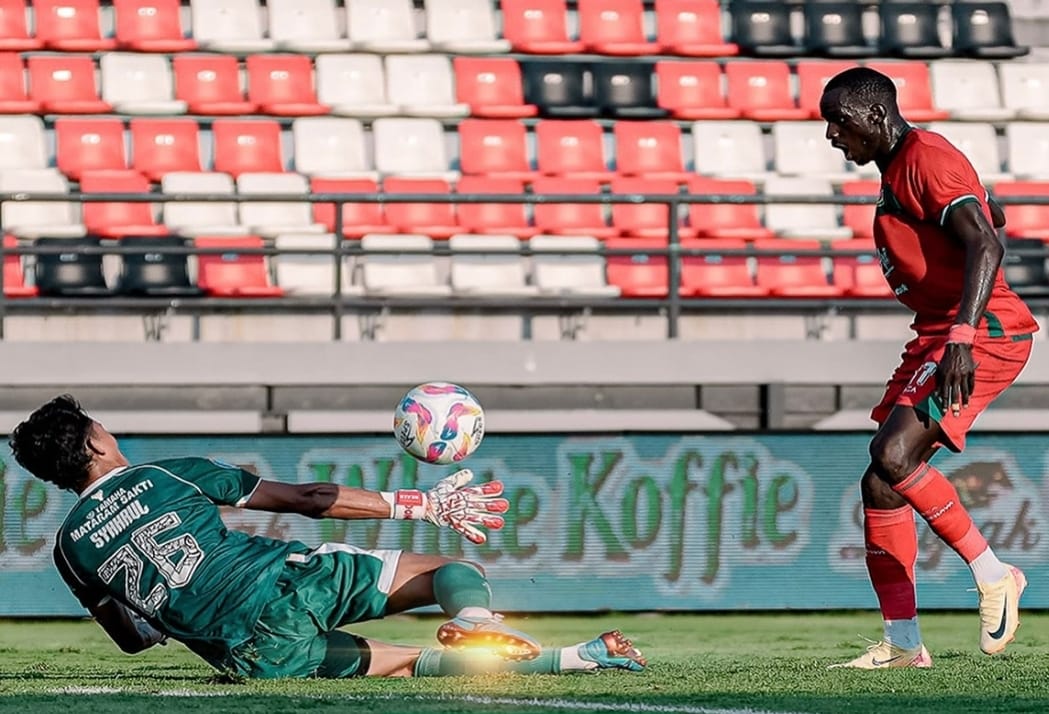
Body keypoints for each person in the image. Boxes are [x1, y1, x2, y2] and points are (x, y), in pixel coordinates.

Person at [8, 395, 645, 679]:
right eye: (101, 425)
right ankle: (475, 615)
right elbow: (309, 501)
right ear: (94, 441)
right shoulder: (165, 473)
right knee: (453, 573)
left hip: (248, 656)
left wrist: (178, 607)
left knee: (411, 663)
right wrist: (421, 502)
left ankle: (576, 658)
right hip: (289, 583)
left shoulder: (69, 550)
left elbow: (132, 642)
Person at [818, 67, 1038, 669]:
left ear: (876, 115)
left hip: (980, 333)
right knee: (881, 482)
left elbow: (987, 244)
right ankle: (904, 644)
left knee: (894, 456)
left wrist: (963, 337)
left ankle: (995, 575)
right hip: (939, 332)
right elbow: (988, 215)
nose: (833, 136)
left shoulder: (924, 158)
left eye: (839, 121)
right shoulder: (903, 168)